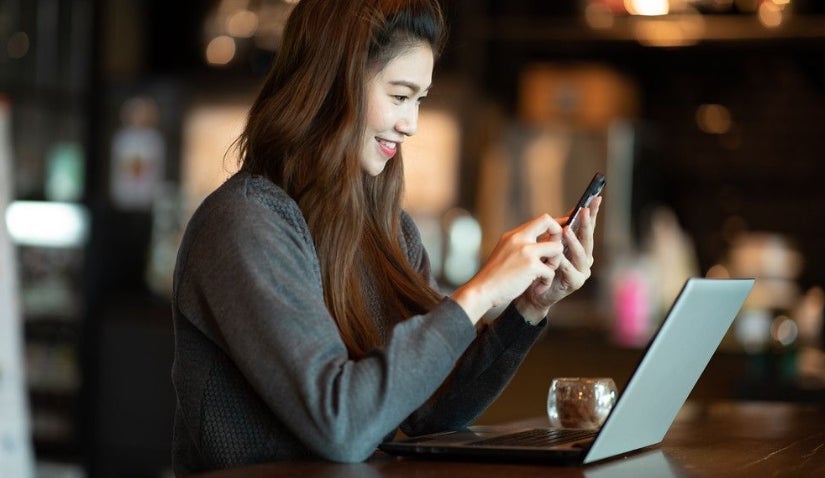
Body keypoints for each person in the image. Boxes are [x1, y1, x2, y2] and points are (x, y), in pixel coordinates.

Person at [170, 0, 601, 474]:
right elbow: (342, 426)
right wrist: (477, 295)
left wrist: (528, 307)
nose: (411, 124)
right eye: (399, 96)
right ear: (333, 86)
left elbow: (429, 410)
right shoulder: (244, 223)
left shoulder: (390, 231)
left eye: (420, 100)